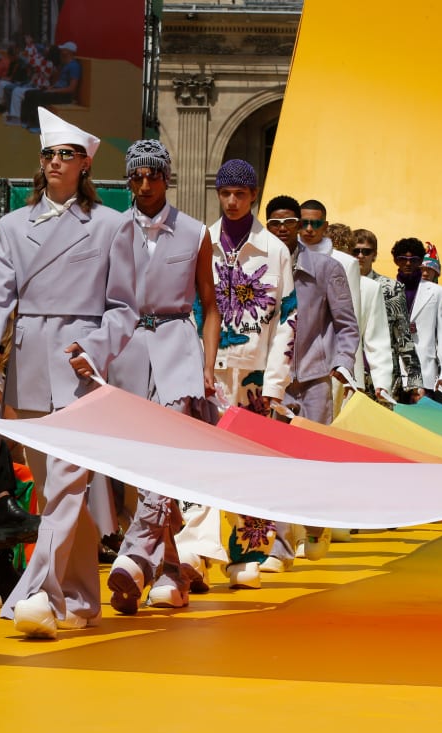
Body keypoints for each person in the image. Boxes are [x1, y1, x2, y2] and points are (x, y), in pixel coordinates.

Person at [0, 107, 136, 639]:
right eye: (48, 154)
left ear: (86, 164)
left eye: (66, 154)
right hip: (30, 359)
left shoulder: (112, 225)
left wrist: (96, 346)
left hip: (81, 362)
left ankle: (36, 592)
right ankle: (84, 596)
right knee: (55, 488)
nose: (55, 162)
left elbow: (125, 305)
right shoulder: (13, 225)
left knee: (65, 486)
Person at [104, 139, 219, 615]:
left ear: (168, 178)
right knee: (139, 463)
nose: (145, 185)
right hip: (125, 351)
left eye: (153, 175)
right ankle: (173, 569)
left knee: (164, 456)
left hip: (177, 351)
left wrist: (208, 368)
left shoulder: (195, 233)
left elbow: (210, 306)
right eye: (136, 176)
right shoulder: (110, 231)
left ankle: (134, 557)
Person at [174, 159, 295, 591]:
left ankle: (247, 554)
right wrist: (191, 364)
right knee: (202, 457)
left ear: (253, 196)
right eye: (225, 193)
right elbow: (191, 306)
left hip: (254, 377)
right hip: (207, 370)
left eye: (240, 194)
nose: (231, 201)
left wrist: (276, 383)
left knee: (250, 464)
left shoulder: (275, 251)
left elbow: (289, 318)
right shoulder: (202, 239)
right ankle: (194, 549)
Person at [265, 194, 359, 570]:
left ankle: (315, 524)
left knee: (312, 460)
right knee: (276, 462)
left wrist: (343, 363)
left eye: (301, 223)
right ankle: (281, 544)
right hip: (274, 381)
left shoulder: (326, 268)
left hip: (316, 377)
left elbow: (347, 324)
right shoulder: (262, 267)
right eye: (282, 222)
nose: (293, 229)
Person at [351, 228, 424, 405]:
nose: (361, 256)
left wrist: (415, 382)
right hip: (349, 374)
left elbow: (404, 337)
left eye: (366, 251)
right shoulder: (338, 285)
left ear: (374, 255)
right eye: (356, 251)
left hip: (384, 377)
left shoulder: (392, 288)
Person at [394, 237, 442, 399]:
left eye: (413, 260)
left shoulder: (438, 292)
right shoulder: (385, 289)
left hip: (424, 371)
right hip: (393, 372)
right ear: (396, 261)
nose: (407, 263)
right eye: (402, 259)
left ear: (420, 261)